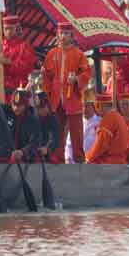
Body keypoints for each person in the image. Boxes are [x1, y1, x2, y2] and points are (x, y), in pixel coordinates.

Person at [41, 22, 92, 164]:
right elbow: (46, 76)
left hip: (73, 96)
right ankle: (57, 158)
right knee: (57, 130)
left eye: (66, 33)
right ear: (57, 35)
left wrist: (76, 79)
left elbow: (87, 72)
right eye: (61, 33)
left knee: (76, 131)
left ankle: (79, 159)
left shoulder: (79, 54)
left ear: (72, 36)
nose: (63, 36)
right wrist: (46, 87)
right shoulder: (51, 54)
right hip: (56, 97)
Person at [0, 15, 36, 102]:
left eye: (11, 28)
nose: (8, 31)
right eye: (6, 29)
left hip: (18, 93)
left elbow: (27, 68)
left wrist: (8, 62)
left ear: (16, 28)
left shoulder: (25, 46)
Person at [85, 94, 129, 164]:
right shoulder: (119, 116)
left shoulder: (108, 119)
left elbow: (100, 145)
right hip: (121, 161)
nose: (96, 110)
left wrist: (88, 157)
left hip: (109, 163)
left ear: (101, 106)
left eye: (96, 106)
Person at [3, 84, 41, 164]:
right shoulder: (6, 114)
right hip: (7, 159)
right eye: (14, 105)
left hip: (26, 160)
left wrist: (23, 152)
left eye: (19, 105)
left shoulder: (33, 120)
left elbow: (35, 143)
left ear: (25, 105)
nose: (16, 108)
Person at [66, 87, 99, 163]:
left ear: (93, 107)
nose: (84, 109)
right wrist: (68, 159)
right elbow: (69, 144)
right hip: (76, 165)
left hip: (94, 163)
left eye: (87, 106)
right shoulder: (76, 123)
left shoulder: (100, 122)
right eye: (82, 106)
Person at [33, 90, 61, 164]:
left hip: (49, 154)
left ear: (47, 105)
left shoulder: (52, 119)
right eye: (38, 108)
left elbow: (54, 138)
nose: (41, 110)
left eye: (43, 107)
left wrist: (48, 148)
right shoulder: (33, 119)